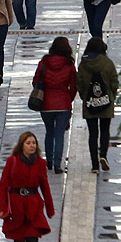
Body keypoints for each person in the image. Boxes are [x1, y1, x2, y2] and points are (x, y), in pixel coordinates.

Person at [0, 132, 54, 242]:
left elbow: (45, 187)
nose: (32, 146)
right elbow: (3, 186)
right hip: (16, 207)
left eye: (34, 143)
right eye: (28, 143)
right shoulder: (12, 162)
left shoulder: (41, 163)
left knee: (33, 239)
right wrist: (2, 208)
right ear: (22, 145)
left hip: (33, 207)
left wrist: (50, 208)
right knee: (19, 240)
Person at [77, 37, 120, 174]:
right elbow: (114, 82)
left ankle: (95, 165)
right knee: (105, 130)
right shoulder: (108, 63)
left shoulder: (83, 64)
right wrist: (111, 96)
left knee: (93, 133)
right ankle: (103, 156)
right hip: (106, 102)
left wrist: (84, 96)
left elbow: (80, 83)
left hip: (90, 102)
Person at [35, 37, 77, 174]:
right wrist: (68, 99)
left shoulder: (44, 63)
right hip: (63, 103)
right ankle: (58, 165)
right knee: (60, 134)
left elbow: (35, 81)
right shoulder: (69, 64)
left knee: (49, 133)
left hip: (46, 104)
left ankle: (49, 161)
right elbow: (74, 85)